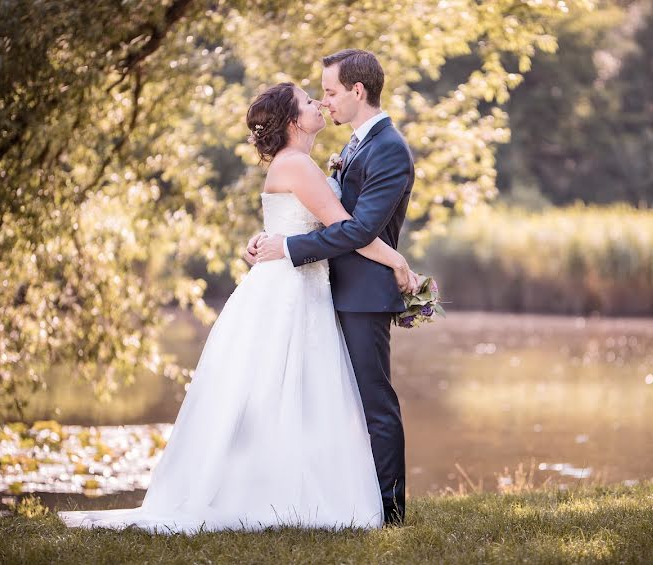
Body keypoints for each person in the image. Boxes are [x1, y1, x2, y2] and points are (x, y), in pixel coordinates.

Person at [58, 78, 416, 533]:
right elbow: (349, 227)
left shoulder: (300, 163)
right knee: (281, 392)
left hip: (297, 284)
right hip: (290, 290)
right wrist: (399, 262)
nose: (318, 104)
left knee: (288, 393)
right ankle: (276, 494)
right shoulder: (299, 166)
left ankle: (283, 488)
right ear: (293, 121)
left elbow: (311, 225)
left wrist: (281, 242)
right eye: (310, 101)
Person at [245, 48, 415, 525]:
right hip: (323, 289)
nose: (324, 102)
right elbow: (320, 215)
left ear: (357, 91)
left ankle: (390, 509)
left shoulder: (388, 149)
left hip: (361, 294)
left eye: (331, 92)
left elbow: (359, 229)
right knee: (330, 401)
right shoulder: (354, 146)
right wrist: (273, 243)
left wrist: (289, 247)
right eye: (318, 96)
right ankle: (328, 496)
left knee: (374, 402)